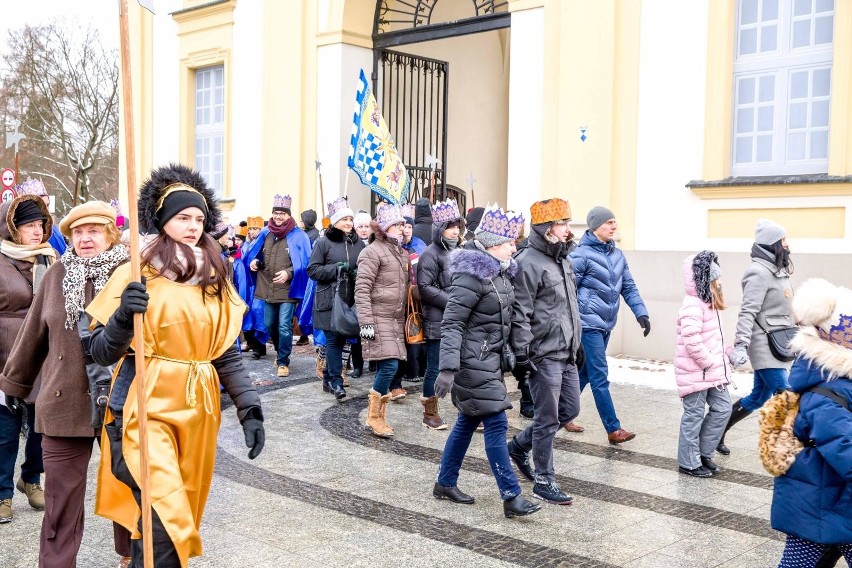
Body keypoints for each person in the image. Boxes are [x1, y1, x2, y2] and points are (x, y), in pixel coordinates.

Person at [85, 164, 265, 567]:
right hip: (140, 408)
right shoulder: (136, 272)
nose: (192, 226)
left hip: (198, 407)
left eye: (199, 219)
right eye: (183, 217)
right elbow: (98, 350)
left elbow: (224, 351)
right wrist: (120, 320)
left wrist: (249, 407)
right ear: (163, 221)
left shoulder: (215, 278)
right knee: (168, 517)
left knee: (171, 514)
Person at [0, 200, 134, 566]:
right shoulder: (57, 274)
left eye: (94, 231)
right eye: (77, 232)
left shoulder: (132, 274)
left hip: (122, 402)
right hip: (63, 401)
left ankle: (130, 555)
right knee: (59, 501)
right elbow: (31, 337)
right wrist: (12, 386)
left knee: (127, 486)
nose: (85, 238)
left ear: (111, 234)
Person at [432, 204, 541, 518]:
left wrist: (518, 357)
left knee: (467, 421)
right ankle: (511, 496)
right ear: (494, 244)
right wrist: (448, 368)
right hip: (471, 363)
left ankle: (444, 482)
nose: (515, 247)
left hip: (489, 361)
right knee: (496, 423)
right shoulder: (471, 275)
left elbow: (502, 323)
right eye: (510, 242)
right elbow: (452, 323)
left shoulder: (501, 274)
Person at [770, 278, 852, 568]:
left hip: (830, 498)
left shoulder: (837, 382)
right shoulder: (825, 391)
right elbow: (843, 445)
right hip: (819, 501)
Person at [507, 198, 581, 505]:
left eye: (567, 222)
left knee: (569, 410)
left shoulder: (562, 258)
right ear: (546, 227)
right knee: (548, 418)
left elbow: (569, 307)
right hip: (543, 352)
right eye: (562, 223)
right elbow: (520, 311)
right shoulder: (528, 261)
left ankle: (518, 446)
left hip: (566, 350)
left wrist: (578, 341)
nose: (567, 229)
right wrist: (523, 353)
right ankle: (544, 479)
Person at [568, 206, 649, 444]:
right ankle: (613, 429)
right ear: (595, 226)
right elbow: (568, 291)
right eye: (609, 222)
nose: (614, 226)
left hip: (606, 323)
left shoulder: (617, 255)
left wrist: (641, 313)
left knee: (585, 373)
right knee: (600, 374)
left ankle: (563, 413)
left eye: (615, 222)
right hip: (587, 324)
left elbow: (629, 287)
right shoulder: (580, 255)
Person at [0, 194, 55, 524]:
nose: (36, 232)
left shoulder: (49, 259)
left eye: (40, 225)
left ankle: (31, 478)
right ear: (12, 229)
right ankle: (2, 493)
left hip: (43, 353)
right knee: (5, 430)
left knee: (41, 426)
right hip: (5, 355)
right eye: (29, 226)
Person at [718, 219, 794, 455]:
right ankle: (785, 448)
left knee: (757, 397)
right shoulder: (758, 273)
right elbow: (748, 312)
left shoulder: (778, 272)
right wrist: (740, 345)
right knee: (786, 396)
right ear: (773, 244)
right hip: (764, 346)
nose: (788, 244)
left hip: (780, 343)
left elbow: (783, 309)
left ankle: (714, 434)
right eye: (784, 240)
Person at [674, 251, 732, 478]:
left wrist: (728, 353)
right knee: (694, 415)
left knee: (723, 408)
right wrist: (708, 362)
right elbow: (691, 339)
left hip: (713, 370)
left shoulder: (709, 303)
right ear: (703, 279)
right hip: (695, 371)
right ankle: (688, 462)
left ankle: (704, 452)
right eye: (715, 280)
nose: (719, 284)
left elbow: (715, 338)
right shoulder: (692, 304)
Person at [355, 204, 410, 438]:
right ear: (386, 228)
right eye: (397, 225)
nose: (402, 229)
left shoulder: (402, 253)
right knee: (389, 365)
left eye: (403, 224)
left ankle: (377, 415)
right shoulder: (372, 252)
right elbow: (362, 290)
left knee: (392, 365)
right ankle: (374, 416)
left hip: (395, 320)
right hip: (377, 319)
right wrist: (366, 326)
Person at [244, 195, 312, 378]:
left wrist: (289, 273)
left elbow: (305, 262)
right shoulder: (266, 232)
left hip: (288, 288)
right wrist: (255, 262)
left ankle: (283, 361)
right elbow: (255, 254)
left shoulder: (298, 235)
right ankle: (279, 348)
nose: (279, 216)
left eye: (282, 213)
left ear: (288, 215)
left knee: (284, 325)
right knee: (269, 324)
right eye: (276, 213)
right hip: (266, 285)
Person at [307, 197, 364, 401]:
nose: (348, 223)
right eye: (344, 219)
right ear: (335, 222)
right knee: (333, 341)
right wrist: (336, 269)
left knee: (343, 339)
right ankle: (337, 382)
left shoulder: (359, 244)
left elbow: (365, 266)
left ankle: (327, 379)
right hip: (329, 300)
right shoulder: (324, 243)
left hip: (350, 300)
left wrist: (359, 273)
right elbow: (312, 270)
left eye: (350, 219)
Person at [416, 198, 464, 430]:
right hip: (437, 318)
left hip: (459, 319)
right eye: (450, 227)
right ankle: (430, 411)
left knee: (461, 365)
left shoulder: (461, 252)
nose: (455, 231)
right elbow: (425, 288)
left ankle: (467, 411)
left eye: (457, 227)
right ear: (440, 229)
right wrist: (453, 301)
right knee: (435, 367)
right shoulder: (430, 254)